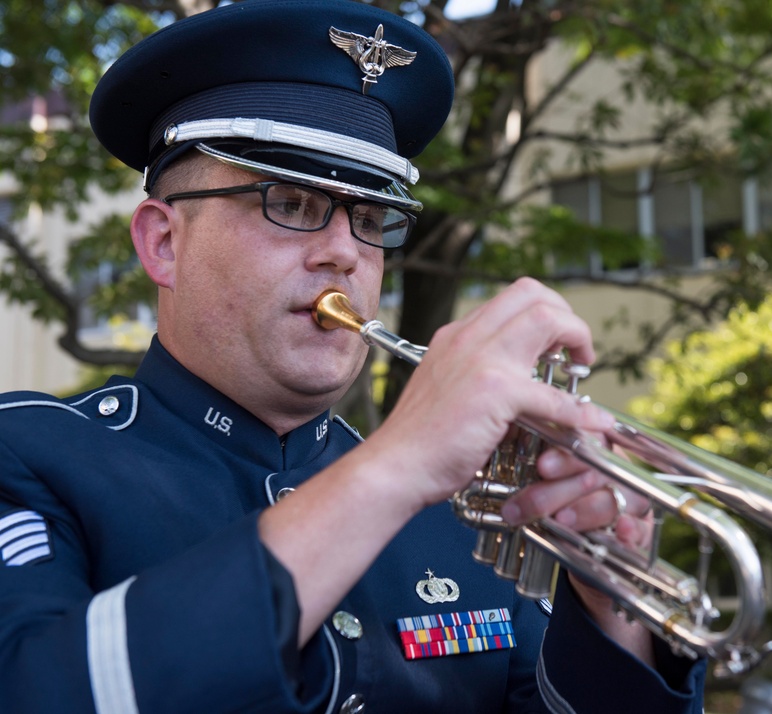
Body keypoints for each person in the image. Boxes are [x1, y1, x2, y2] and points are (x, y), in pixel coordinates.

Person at [0, 1, 707, 712]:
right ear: (163, 243)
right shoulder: (29, 456)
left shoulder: (461, 509)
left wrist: (613, 602)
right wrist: (395, 466)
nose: (345, 251)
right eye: (292, 202)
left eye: (369, 217)